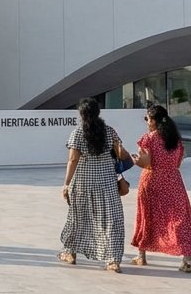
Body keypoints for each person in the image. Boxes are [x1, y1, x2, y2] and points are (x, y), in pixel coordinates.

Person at [58, 97, 128, 272]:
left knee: (77, 219)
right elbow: (122, 154)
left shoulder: (78, 133)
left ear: (82, 114)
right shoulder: (109, 131)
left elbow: (73, 159)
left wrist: (66, 184)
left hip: (82, 184)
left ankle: (70, 253)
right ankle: (112, 261)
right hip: (107, 184)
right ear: (98, 113)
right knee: (111, 221)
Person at [129, 105, 191, 272]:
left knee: (147, 215)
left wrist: (135, 161)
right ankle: (187, 259)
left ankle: (141, 256)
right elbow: (178, 162)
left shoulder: (149, 138)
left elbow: (147, 163)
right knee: (179, 218)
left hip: (152, 180)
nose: (146, 122)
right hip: (173, 180)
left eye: (147, 119)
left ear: (153, 121)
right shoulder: (175, 139)